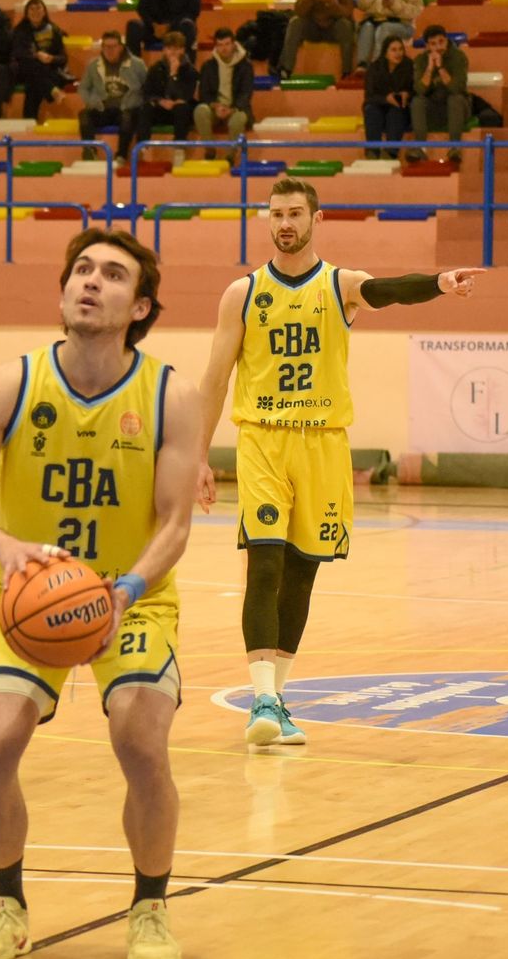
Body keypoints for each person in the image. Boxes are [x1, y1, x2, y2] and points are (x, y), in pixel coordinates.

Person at [0, 228, 200, 959]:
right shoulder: (11, 385)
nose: (90, 281)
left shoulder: (169, 394)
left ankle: (150, 907)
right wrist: (4, 547)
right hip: (30, 594)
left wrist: (127, 589)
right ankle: (7, 906)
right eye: (81, 269)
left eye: (112, 275)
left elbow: (177, 523)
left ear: (139, 305)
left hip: (133, 596)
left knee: (139, 743)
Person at [194, 177, 483, 748]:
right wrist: (198, 455)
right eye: (276, 213)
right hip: (263, 439)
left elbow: (389, 290)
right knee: (265, 563)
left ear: (315, 218)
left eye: (295, 213)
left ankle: (278, 699)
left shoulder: (338, 285)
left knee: (302, 574)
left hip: (324, 442)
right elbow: (213, 379)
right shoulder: (243, 293)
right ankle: (262, 696)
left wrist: (439, 284)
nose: (284, 223)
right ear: (266, 219)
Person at [275, 0, 356, 80]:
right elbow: (298, 11)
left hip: (333, 28)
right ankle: (286, 69)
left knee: (345, 26)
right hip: (312, 27)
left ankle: (347, 72)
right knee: (295, 22)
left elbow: (347, 12)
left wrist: (332, 3)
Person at [78, 31, 148, 162]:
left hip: (126, 108)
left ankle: (121, 155)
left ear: (121, 47)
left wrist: (136, 102)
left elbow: (147, 87)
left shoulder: (137, 64)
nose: (109, 50)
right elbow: (83, 88)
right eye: (106, 47)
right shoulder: (93, 65)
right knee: (84, 114)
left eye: (113, 46)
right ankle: (89, 151)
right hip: (102, 108)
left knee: (127, 117)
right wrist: (92, 101)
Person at [409, 24, 469, 165]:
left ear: (447, 40)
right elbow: (420, 90)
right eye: (433, 44)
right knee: (417, 102)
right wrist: (430, 68)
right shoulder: (421, 60)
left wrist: (440, 68)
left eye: (441, 41)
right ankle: (420, 148)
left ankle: (455, 147)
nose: (438, 47)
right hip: (434, 108)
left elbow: (456, 88)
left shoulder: (458, 57)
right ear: (427, 46)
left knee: (455, 99)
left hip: (458, 108)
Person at [194, 28, 254, 160]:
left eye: (227, 44)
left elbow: (246, 94)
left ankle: (230, 157)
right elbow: (204, 94)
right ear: (216, 46)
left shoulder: (246, 66)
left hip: (237, 108)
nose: (224, 48)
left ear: (234, 44)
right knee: (200, 110)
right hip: (215, 108)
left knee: (238, 120)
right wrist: (216, 106)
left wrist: (231, 109)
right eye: (220, 45)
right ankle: (210, 151)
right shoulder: (208, 66)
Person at [10, 0, 71, 120]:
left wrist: (51, 58)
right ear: (26, 13)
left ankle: (29, 121)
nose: (35, 12)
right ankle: (53, 90)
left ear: (44, 12)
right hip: (25, 70)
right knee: (31, 66)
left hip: (46, 72)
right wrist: (37, 55)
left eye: (38, 8)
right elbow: (19, 54)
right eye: (31, 9)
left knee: (33, 84)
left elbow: (63, 58)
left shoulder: (53, 30)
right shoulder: (20, 31)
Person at [141, 31, 199, 157]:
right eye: (169, 48)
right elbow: (147, 93)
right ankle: (143, 149)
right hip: (161, 109)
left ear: (183, 50)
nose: (172, 52)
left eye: (176, 49)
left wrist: (173, 74)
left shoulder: (190, 70)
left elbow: (186, 96)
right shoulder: (155, 68)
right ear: (163, 50)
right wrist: (160, 101)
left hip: (180, 112)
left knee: (182, 108)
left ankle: (179, 149)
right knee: (146, 108)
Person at [363, 34, 414, 158]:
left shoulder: (409, 66)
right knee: (371, 110)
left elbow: (416, 91)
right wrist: (385, 99)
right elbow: (369, 96)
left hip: (400, 108)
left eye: (400, 49)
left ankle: (391, 152)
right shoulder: (375, 68)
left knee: (395, 112)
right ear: (385, 52)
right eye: (394, 50)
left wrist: (407, 94)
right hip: (379, 105)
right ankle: (372, 151)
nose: (398, 53)